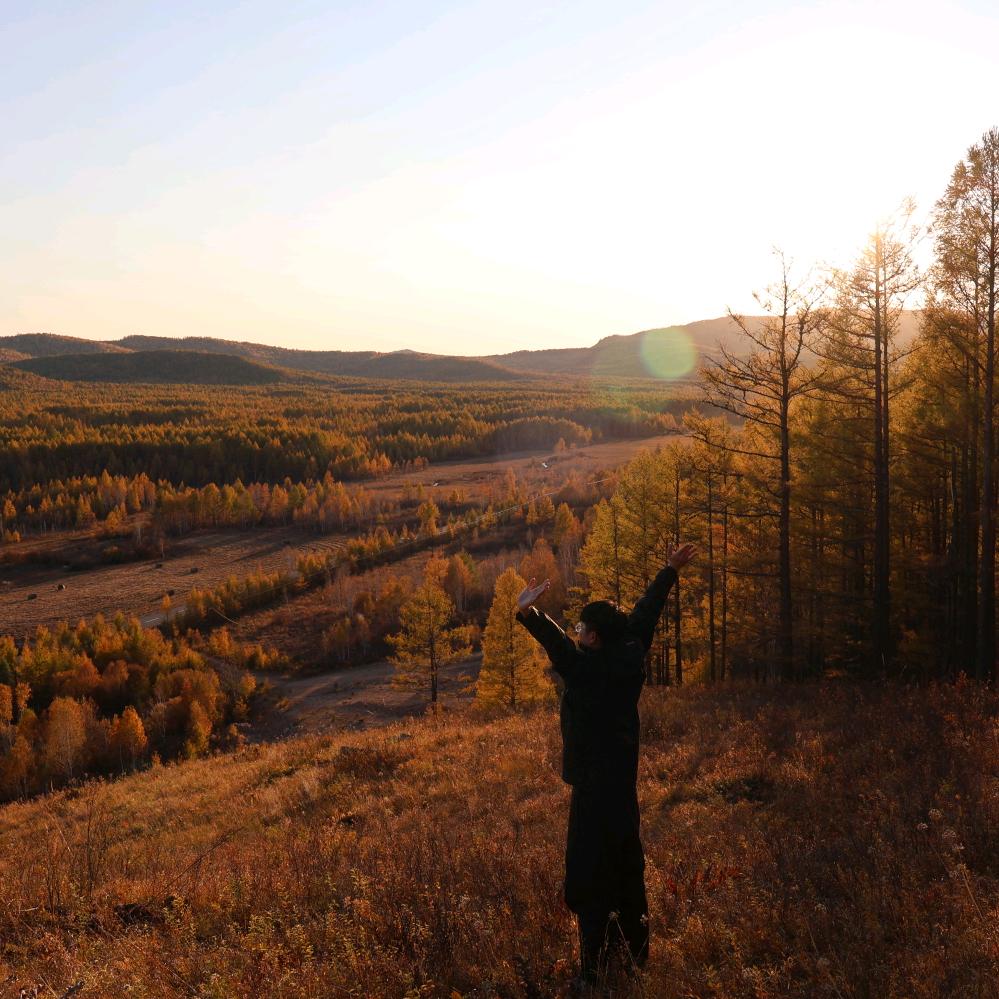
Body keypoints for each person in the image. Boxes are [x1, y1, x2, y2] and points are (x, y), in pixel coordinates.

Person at [515, 541, 697, 990]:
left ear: (593, 637)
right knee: (627, 868)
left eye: (581, 627)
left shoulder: (585, 669)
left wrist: (529, 613)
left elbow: (558, 646)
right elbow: (645, 612)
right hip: (622, 788)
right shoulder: (630, 649)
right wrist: (668, 571)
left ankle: (592, 974)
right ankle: (636, 960)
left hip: (592, 792)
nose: (576, 632)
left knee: (588, 876)